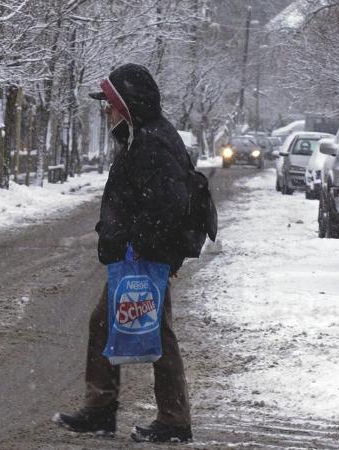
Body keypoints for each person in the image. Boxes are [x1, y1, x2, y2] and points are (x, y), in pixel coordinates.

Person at [53, 63, 195, 443]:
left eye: (110, 105)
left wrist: (145, 250)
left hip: (145, 258)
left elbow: (169, 205)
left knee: (155, 333)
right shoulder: (141, 137)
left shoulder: (152, 142)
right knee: (108, 323)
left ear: (128, 104)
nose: (106, 112)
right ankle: (103, 409)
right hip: (141, 256)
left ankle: (172, 420)